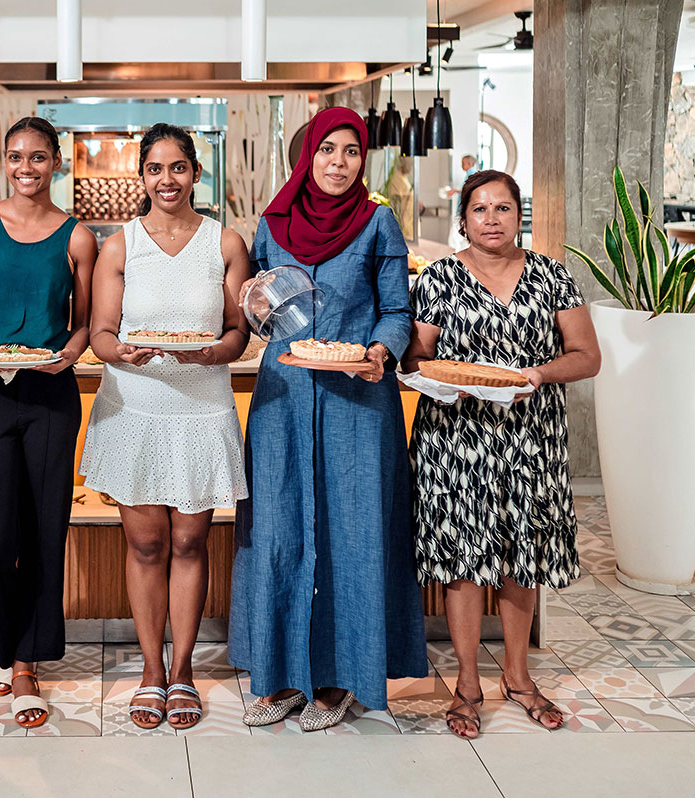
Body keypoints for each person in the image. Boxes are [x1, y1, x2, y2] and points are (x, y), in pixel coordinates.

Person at [229, 107, 428, 731]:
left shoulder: (378, 223)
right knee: (280, 530)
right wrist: (254, 311)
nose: (338, 163)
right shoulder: (273, 224)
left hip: (358, 402)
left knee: (354, 535)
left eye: (351, 152)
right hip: (283, 399)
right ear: (306, 156)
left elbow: (397, 308)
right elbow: (259, 301)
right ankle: (283, 674)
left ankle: (345, 678)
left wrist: (378, 353)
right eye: (327, 150)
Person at [403, 169, 600, 739]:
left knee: (524, 558)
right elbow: (415, 360)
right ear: (463, 218)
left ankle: (518, 676)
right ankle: (467, 684)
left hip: (532, 437)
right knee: (462, 562)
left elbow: (586, 356)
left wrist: (537, 373)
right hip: (455, 438)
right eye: (480, 210)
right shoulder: (439, 278)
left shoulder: (551, 276)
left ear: (520, 216)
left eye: (503, 209)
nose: (491, 219)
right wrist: (446, 380)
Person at [80, 123, 251, 730]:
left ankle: (184, 674)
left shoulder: (225, 243)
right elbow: (101, 331)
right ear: (143, 177)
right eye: (155, 169)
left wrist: (212, 353)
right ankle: (151, 672)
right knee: (146, 544)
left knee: (189, 543)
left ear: (196, 175)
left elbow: (237, 332)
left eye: (178, 168)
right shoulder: (120, 246)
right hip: (136, 409)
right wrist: (117, 352)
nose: (167, 180)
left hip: (201, 409)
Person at [0, 116, 97, 729]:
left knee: (42, 534)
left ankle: (24, 663)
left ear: (57, 162)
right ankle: (11, 641)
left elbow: (83, 321)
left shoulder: (77, 236)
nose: (26, 168)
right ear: (2, 163)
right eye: (15, 157)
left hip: (51, 396)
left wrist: (70, 353)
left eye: (38, 157)